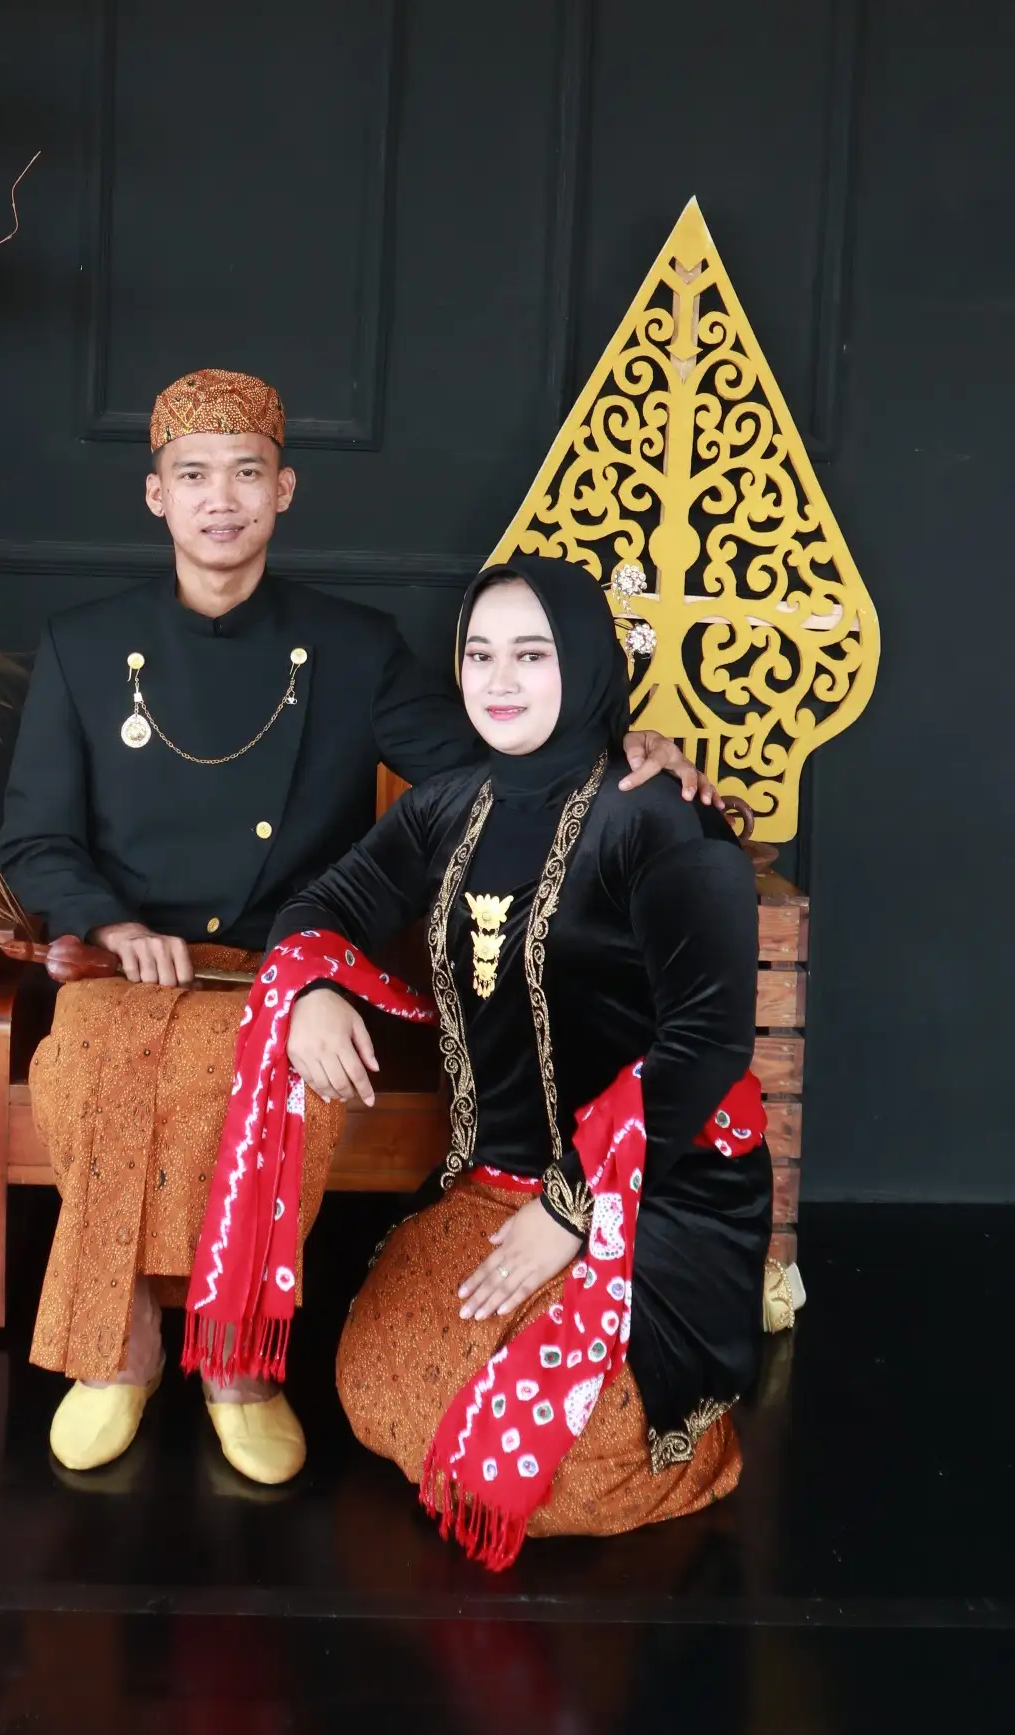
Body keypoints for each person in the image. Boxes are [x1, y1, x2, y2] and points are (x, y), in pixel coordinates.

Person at [0, 370, 720, 1485]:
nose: (221, 498)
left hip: (295, 960)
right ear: (156, 495)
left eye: (247, 474)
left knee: (260, 1079)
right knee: (92, 1066)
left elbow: (492, 761)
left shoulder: (351, 645)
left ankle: (239, 1370)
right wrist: (114, 921)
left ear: (284, 490)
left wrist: (628, 745)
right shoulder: (83, 646)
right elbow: (35, 838)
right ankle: (118, 1356)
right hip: (129, 960)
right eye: (194, 475)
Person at [251, 555, 776, 1562]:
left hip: (652, 1191)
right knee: (376, 1380)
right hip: (490, 1181)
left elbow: (709, 1039)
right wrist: (310, 986)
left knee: (567, 1459)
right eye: (480, 654)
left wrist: (573, 1209)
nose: (499, 679)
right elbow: (322, 905)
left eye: (532, 655)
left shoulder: (664, 819)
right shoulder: (449, 805)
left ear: (585, 663)